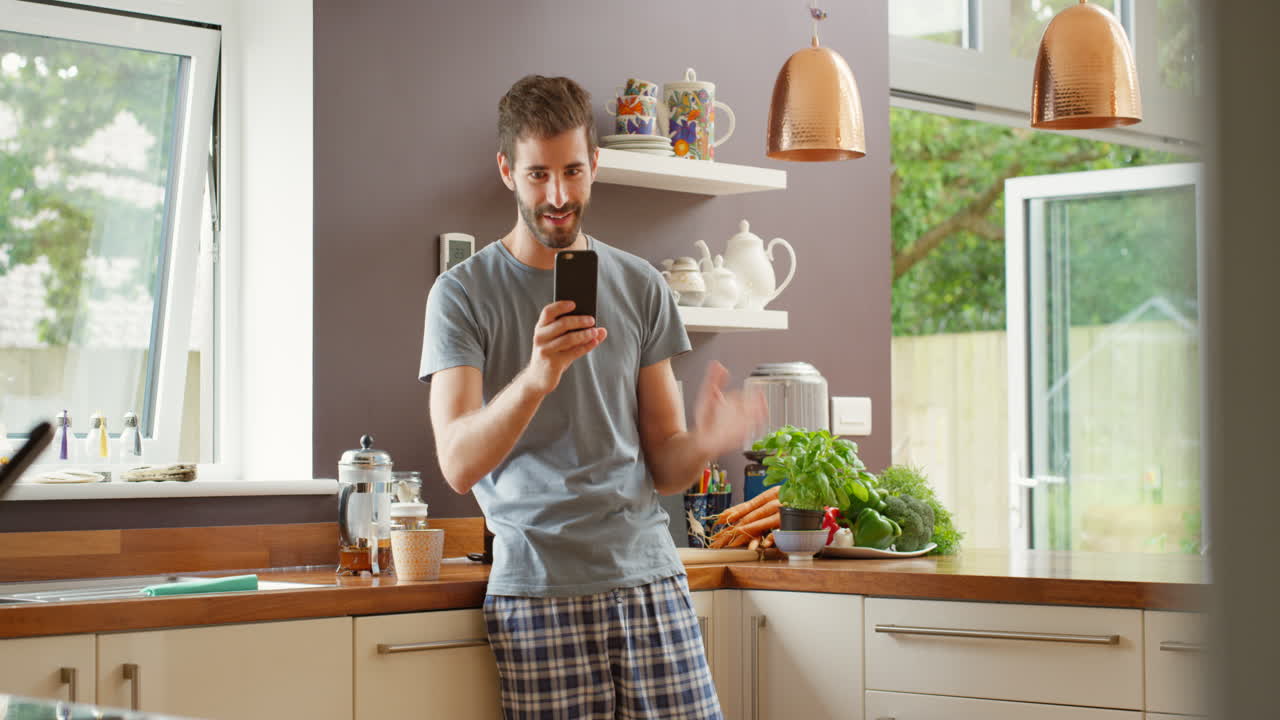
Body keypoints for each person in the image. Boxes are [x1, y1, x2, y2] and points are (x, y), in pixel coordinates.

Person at [419, 74, 767, 719]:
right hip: (539, 592)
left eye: (573, 171)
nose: (558, 196)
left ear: (595, 164)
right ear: (506, 171)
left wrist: (708, 442)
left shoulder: (640, 286)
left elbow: (665, 465)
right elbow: (458, 463)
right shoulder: (462, 294)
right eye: (538, 175)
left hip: (650, 580)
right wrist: (535, 377)